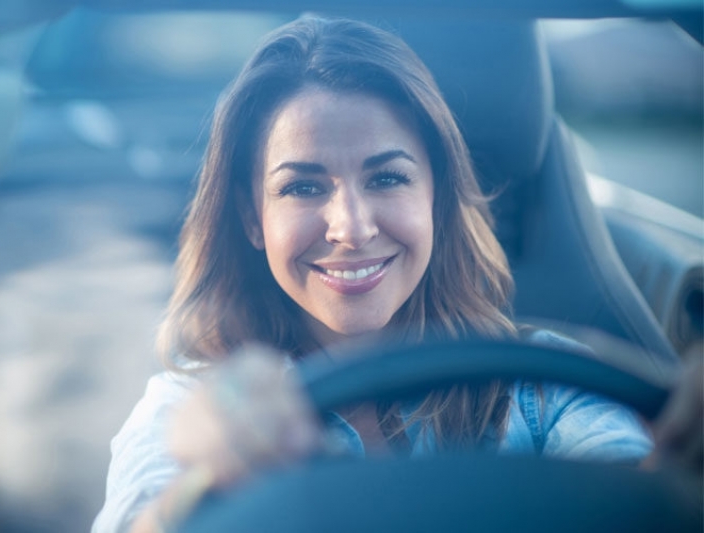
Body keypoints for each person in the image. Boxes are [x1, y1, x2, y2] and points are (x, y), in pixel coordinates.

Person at [92, 16, 702, 533]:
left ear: (435, 196)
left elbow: (642, 496)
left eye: (387, 178)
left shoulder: (548, 386)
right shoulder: (189, 410)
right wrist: (196, 487)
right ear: (254, 218)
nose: (351, 228)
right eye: (303, 187)